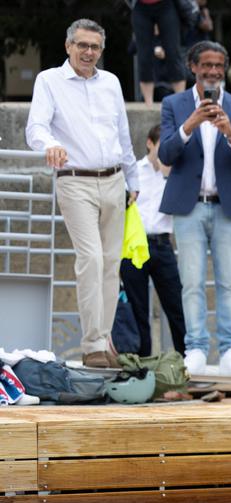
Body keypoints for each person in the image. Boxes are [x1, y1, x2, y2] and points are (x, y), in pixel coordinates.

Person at [25, 19, 140, 369]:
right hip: (74, 180)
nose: (88, 52)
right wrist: (51, 145)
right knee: (90, 260)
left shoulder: (111, 82)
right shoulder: (49, 80)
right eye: (82, 45)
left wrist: (133, 181)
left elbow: (123, 134)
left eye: (94, 47)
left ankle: (103, 343)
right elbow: (35, 128)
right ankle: (92, 346)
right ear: (68, 46)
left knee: (110, 265)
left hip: (114, 180)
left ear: (101, 51)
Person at [159, 41, 231, 377]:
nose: (213, 72)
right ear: (193, 67)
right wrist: (190, 125)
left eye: (219, 66)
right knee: (191, 283)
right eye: (206, 65)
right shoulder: (173, 104)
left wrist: (230, 133)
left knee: (229, 282)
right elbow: (165, 155)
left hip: (226, 207)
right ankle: (196, 348)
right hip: (189, 208)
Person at [120, 124, 187, 357]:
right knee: (138, 309)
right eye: (161, 146)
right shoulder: (134, 171)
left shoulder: (175, 174)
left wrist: (169, 172)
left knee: (176, 305)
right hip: (135, 245)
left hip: (163, 244)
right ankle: (141, 361)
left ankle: (185, 357)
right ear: (150, 143)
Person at [129, 0, 187, 106]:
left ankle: (181, 101)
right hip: (141, 6)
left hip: (166, 5)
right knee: (144, 56)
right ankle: (148, 104)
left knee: (173, 53)